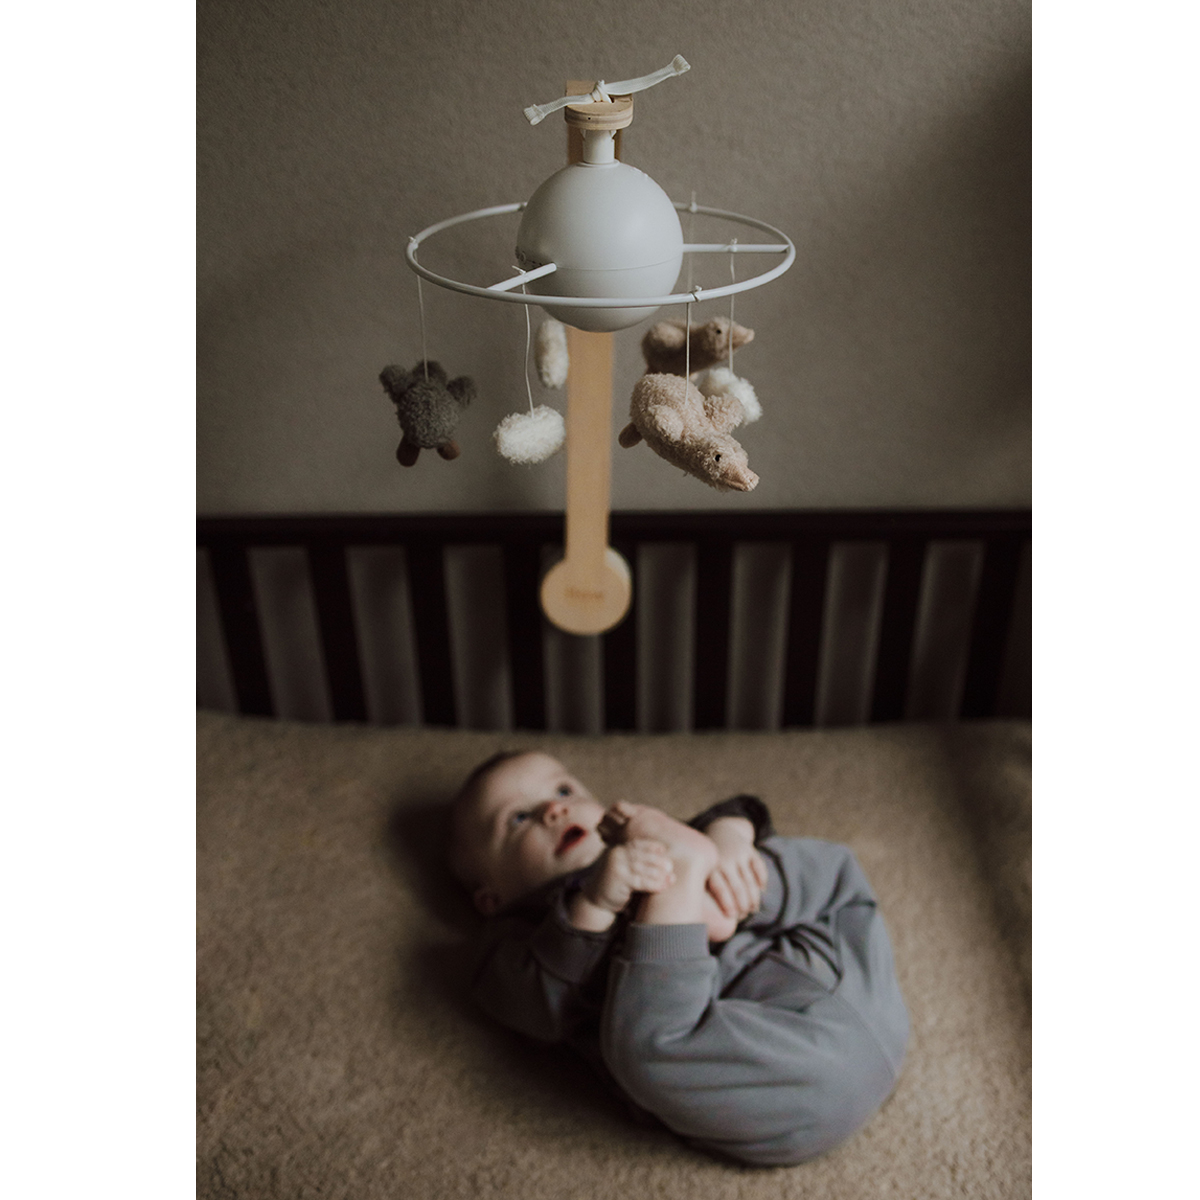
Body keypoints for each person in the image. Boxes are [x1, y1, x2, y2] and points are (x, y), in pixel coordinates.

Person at [449, 750, 909, 1167]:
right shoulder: (509, 938)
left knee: (820, 873)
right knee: (644, 1046)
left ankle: (711, 890)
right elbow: (538, 1006)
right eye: (519, 818)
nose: (554, 809)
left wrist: (730, 839)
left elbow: (741, 810)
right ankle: (689, 896)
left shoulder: (648, 839)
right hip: (767, 1069)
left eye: (564, 790)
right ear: (492, 897)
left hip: (830, 973)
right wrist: (593, 904)